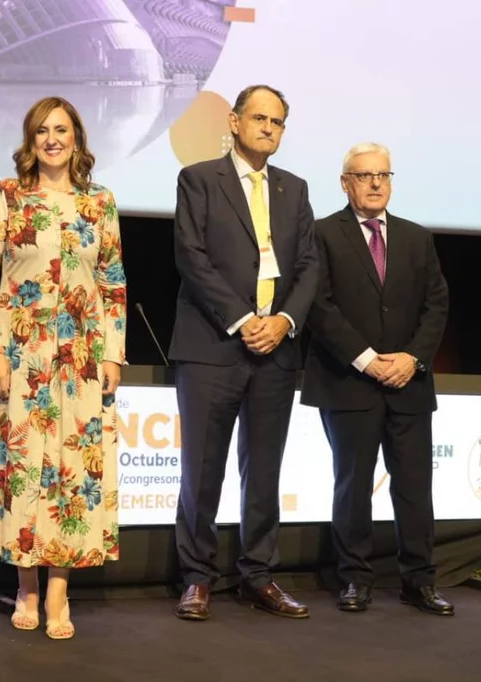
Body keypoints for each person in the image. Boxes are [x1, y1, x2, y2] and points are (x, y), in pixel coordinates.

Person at [0, 96, 127, 640]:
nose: (52, 139)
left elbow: (112, 282)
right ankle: (27, 585)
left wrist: (111, 353)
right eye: (42, 131)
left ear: (77, 139)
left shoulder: (100, 202)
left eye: (61, 130)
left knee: (72, 472)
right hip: (20, 358)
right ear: (30, 141)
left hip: (81, 359)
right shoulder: (6, 197)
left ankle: (59, 587)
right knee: (24, 468)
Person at [169, 84, 318, 621]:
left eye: (277, 122)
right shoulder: (199, 179)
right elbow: (192, 257)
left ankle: (259, 575)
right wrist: (244, 320)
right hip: (213, 346)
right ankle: (197, 578)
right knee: (202, 469)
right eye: (259, 118)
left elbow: (308, 266)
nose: (268, 129)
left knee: (265, 471)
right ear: (233, 122)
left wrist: (283, 321)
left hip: (275, 351)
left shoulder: (294, 189)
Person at [300, 143, 452, 615]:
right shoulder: (322, 234)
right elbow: (319, 307)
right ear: (345, 183)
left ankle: (419, 581)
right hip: (349, 384)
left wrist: (413, 358)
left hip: (409, 384)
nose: (374, 183)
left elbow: (436, 304)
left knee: (413, 487)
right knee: (352, 484)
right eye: (364, 175)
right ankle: (355, 579)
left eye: (383, 175)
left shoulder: (417, 237)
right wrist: (366, 359)